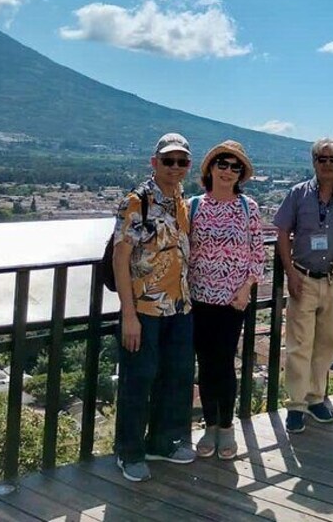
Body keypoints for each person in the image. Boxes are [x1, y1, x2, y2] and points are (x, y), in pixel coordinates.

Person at [111, 132, 196, 482]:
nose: (175, 167)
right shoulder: (136, 202)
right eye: (168, 160)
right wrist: (128, 314)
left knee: (174, 377)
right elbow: (120, 258)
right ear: (154, 162)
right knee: (138, 379)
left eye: (182, 162)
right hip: (144, 310)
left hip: (179, 307)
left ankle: (162, 441)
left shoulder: (181, 202)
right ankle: (129, 451)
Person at [273, 138, 333, 434]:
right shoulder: (297, 194)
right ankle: (296, 404)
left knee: (327, 343)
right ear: (314, 161)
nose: (327, 164)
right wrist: (290, 273)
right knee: (299, 344)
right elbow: (283, 232)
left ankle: (316, 398)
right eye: (322, 159)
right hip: (303, 277)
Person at [188, 140, 265, 460]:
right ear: (210, 168)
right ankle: (210, 425)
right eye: (223, 163)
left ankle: (226, 427)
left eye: (235, 167)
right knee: (206, 365)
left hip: (233, 300)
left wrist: (246, 288)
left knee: (224, 363)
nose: (228, 171)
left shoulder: (249, 207)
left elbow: (258, 254)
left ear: (241, 174)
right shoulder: (193, 205)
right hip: (198, 298)